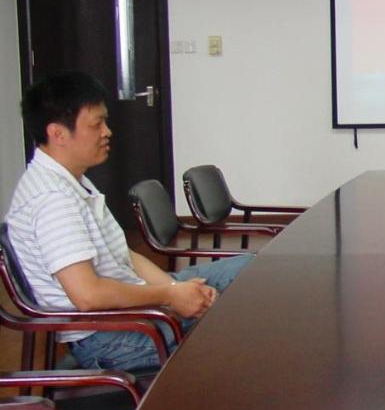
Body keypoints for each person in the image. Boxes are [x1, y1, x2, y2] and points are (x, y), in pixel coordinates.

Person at [5, 72, 253, 371]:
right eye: (96, 124)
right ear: (58, 134)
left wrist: (176, 289)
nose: (107, 132)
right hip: (115, 338)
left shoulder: (73, 182)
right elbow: (88, 296)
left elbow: (126, 256)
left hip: (136, 309)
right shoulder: (52, 200)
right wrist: (169, 295)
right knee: (246, 320)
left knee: (253, 270)